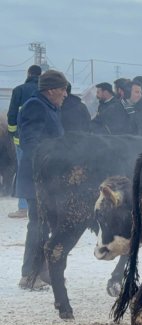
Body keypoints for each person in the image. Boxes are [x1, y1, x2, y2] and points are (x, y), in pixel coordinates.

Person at [17, 70, 68, 289]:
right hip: (38, 179)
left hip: (47, 179)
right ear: (51, 90)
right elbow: (31, 143)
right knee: (38, 225)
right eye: (63, 89)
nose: (65, 94)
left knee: (46, 223)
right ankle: (29, 275)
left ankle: (43, 271)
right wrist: (52, 163)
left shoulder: (50, 107)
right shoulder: (35, 106)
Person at [6, 64, 42, 219]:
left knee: (23, 171)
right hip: (42, 140)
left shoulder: (19, 90)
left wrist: (13, 132)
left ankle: (23, 208)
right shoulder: (44, 91)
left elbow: (12, 114)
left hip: (22, 140)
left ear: (28, 73)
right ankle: (41, 206)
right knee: (41, 171)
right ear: (40, 75)